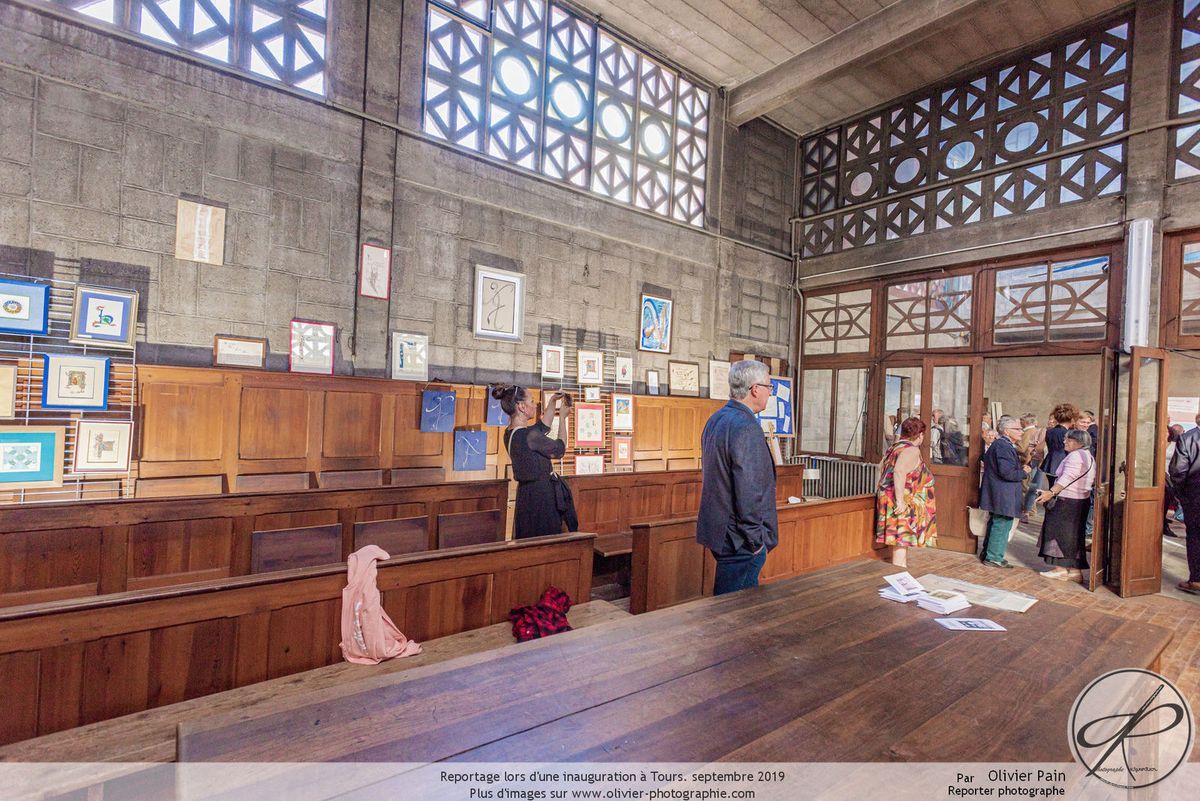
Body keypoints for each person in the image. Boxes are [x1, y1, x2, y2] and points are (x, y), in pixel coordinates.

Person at [696, 360, 778, 595]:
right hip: (739, 539)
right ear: (755, 389)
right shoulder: (746, 426)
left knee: (726, 608)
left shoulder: (717, 419)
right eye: (769, 387)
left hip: (720, 531)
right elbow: (749, 490)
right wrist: (755, 541)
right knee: (736, 614)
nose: (770, 393)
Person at [494, 385, 576, 539]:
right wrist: (563, 419)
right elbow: (560, 449)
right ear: (521, 407)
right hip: (542, 499)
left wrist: (552, 403)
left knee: (529, 541)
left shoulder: (510, 433)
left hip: (527, 497)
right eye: (531, 401)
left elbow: (542, 427)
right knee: (545, 541)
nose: (535, 404)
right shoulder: (529, 436)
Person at [875, 417, 938, 568]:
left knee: (900, 545)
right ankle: (898, 582)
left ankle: (900, 579)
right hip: (901, 504)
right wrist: (901, 501)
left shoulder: (894, 447)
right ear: (920, 435)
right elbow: (899, 471)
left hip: (893, 500)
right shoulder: (911, 450)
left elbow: (880, 468)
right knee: (900, 544)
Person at [1035, 429, 1095, 581]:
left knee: (1058, 534)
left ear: (1079, 443)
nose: (1064, 442)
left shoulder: (1075, 456)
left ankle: (1060, 569)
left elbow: (1067, 478)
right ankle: (1075, 571)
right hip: (1081, 500)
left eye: (1069, 440)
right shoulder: (1088, 456)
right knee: (1074, 536)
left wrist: (1051, 492)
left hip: (1067, 501)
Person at [979, 415, 1031, 568]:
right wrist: (1024, 472)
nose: (1021, 432)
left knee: (999, 523)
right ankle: (994, 556)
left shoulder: (1003, 445)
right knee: (1002, 524)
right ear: (1007, 431)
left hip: (1001, 491)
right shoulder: (1002, 446)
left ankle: (989, 553)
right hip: (1003, 492)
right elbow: (1007, 472)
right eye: (1018, 429)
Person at [1167, 414, 1200, 595]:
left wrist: (1180, 494)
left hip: (1195, 495)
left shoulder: (1188, 438)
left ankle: (1196, 579)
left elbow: (1178, 470)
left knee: (1195, 535)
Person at [1039, 403, 1080, 481]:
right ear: (1072, 419)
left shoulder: (1049, 431)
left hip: (1050, 463)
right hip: (1063, 463)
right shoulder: (1069, 433)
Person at [1018, 413, 1043, 520]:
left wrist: (1013, 445)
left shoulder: (1028, 432)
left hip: (1027, 462)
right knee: (1032, 486)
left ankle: (1028, 510)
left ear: (1026, 422)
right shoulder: (1037, 431)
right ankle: (1030, 510)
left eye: (1021, 421)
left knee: (1026, 487)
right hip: (1035, 462)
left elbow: (1022, 448)